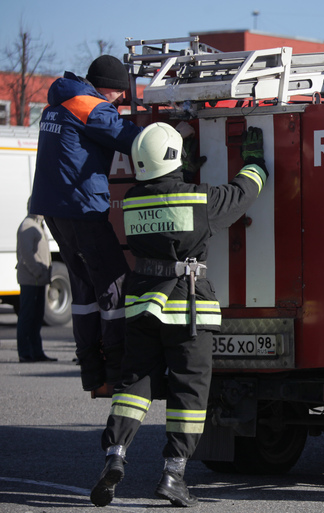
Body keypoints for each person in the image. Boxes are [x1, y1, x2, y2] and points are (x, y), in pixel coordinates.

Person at [90, 122, 268, 508]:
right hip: (188, 309)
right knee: (188, 390)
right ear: (174, 158)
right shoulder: (199, 201)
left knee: (135, 383)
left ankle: (115, 454)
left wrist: (179, 167)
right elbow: (242, 193)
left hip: (142, 306)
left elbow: (165, 198)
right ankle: (173, 474)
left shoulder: (134, 199)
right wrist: (255, 163)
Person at [28, 55, 142, 392]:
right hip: (82, 210)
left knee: (85, 290)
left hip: (54, 210)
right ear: (109, 88)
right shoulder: (90, 106)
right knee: (115, 284)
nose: (122, 101)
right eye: (121, 95)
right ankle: (120, 373)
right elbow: (134, 140)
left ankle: (95, 375)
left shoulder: (58, 103)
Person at [15, 208, 56, 362]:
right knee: (27, 316)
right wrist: (38, 272)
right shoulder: (28, 226)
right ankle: (25, 353)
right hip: (31, 280)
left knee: (37, 317)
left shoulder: (38, 225)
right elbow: (27, 255)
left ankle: (36, 351)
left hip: (38, 280)